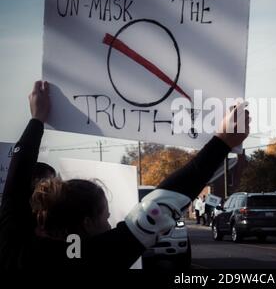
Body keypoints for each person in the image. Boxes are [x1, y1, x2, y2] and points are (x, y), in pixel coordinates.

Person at [0, 80, 250, 269]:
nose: (109, 224)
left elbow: (14, 183)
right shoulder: (93, 257)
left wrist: (222, 142)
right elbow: (160, 205)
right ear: (86, 223)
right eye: (105, 217)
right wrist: (223, 143)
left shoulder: (14, 244)